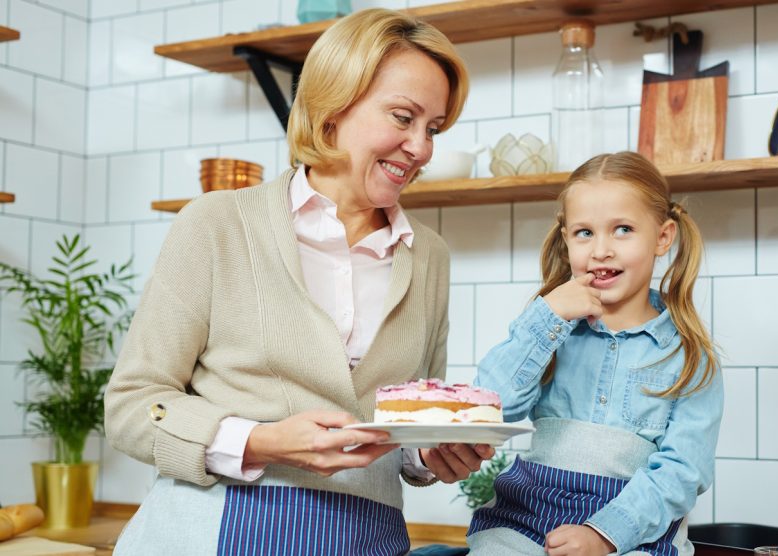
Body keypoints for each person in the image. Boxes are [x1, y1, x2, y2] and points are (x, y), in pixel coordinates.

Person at [105, 8, 492, 555]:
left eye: (433, 128)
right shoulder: (218, 223)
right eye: (403, 118)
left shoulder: (428, 256)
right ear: (332, 106)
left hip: (366, 539)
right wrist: (262, 442)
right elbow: (131, 407)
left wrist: (432, 453)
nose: (422, 148)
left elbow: (406, 425)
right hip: (213, 532)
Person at [466, 151, 724, 556]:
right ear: (566, 239)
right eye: (584, 233)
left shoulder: (690, 357)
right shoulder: (550, 330)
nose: (601, 250)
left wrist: (604, 534)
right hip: (525, 523)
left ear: (663, 237)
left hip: (634, 534)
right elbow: (488, 407)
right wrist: (547, 316)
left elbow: (682, 473)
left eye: (623, 230)